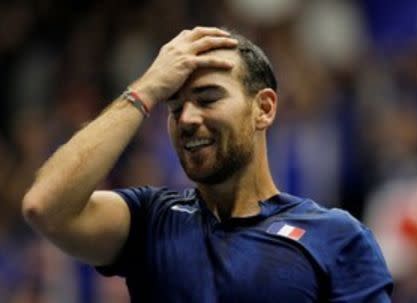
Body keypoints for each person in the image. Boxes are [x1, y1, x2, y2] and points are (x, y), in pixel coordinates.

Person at [22, 27, 393, 302]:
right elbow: (46, 206)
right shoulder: (150, 220)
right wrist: (146, 89)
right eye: (174, 106)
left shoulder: (336, 237)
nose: (186, 118)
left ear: (263, 108)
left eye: (208, 98)